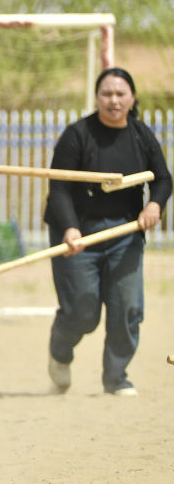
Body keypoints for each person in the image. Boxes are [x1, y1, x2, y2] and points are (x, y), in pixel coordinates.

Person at [43, 67, 171, 396]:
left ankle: (116, 377)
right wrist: (70, 229)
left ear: (131, 98)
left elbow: (163, 178)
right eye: (106, 94)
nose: (113, 100)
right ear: (97, 98)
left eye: (120, 94)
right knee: (82, 311)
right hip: (77, 233)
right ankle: (59, 353)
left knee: (127, 307)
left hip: (125, 232)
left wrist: (154, 205)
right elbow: (58, 188)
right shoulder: (77, 135)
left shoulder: (141, 135)